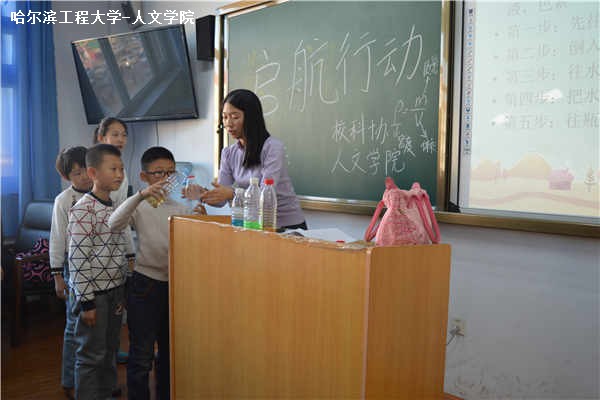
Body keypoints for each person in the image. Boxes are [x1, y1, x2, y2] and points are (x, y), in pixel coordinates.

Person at [108, 146, 203, 400]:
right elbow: (114, 223)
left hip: (174, 286)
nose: (165, 179)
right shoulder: (139, 206)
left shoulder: (180, 207)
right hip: (145, 285)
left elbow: (196, 243)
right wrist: (140, 196)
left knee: (169, 353)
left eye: (170, 173)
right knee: (141, 355)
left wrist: (199, 208)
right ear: (144, 176)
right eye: (158, 173)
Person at [193, 88, 307, 231]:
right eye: (225, 117)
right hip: (252, 224)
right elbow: (221, 200)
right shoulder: (228, 153)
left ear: (251, 118)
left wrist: (232, 193)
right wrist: (203, 194)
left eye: (235, 117)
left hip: (286, 226)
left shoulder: (272, 148)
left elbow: (265, 194)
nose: (228, 123)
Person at [68, 143, 128, 400]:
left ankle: (106, 392)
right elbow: (77, 259)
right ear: (93, 173)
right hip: (94, 296)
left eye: (121, 169)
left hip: (115, 291)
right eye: (113, 169)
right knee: (91, 354)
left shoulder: (114, 205)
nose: (119, 174)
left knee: (110, 349)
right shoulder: (83, 209)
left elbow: (119, 245)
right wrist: (87, 302)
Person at [50, 146, 93, 400]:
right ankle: (70, 380)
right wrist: (57, 276)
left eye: (86, 170)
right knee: (74, 325)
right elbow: (57, 239)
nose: (84, 177)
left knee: (96, 327)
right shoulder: (63, 201)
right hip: (73, 266)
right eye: (77, 173)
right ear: (67, 176)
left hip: (100, 265)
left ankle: (97, 381)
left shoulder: (102, 194)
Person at [94, 117, 132, 365]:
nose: (121, 139)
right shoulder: (94, 168)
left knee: (116, 308)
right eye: (115, 134)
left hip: (115, 242)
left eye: (124, 134)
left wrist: (130, 252)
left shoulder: (122, 171)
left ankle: (112, 351)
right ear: (101, 138)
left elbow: (122, 212)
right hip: (96, 246)